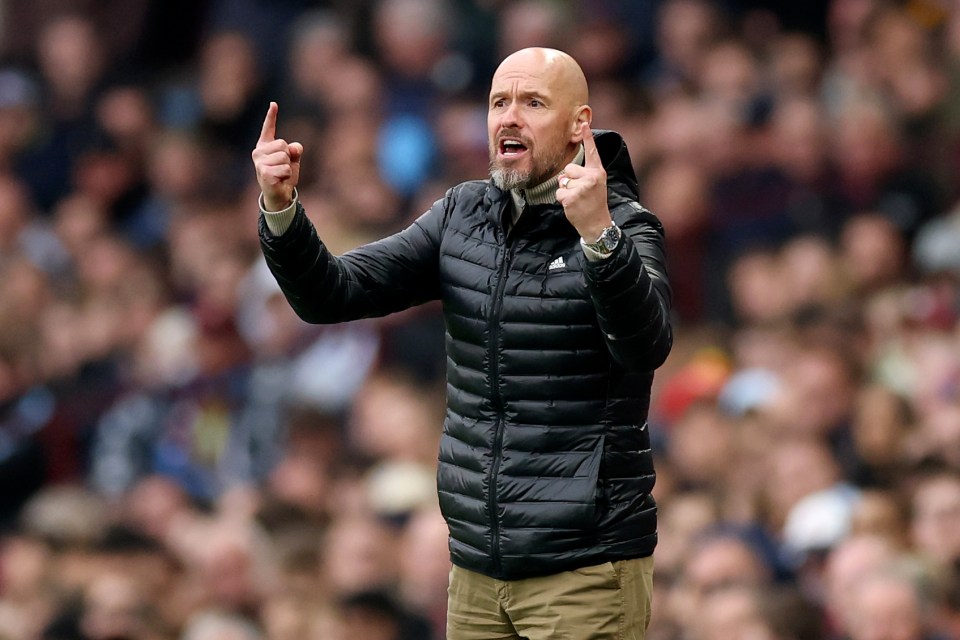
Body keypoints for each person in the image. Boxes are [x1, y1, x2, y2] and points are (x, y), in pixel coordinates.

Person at [253, 47, 672, 639]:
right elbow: (333, 294)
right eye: (499, 102)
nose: (509, 118)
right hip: (475, 568)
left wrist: (598, 235)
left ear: (580, 124)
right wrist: (281, 208)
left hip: (584, 565)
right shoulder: (462, 214)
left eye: (532, 103)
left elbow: (646, 346)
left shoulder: (625, 227)